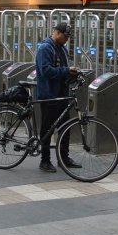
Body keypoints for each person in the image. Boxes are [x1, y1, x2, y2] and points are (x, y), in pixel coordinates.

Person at [35, 23, 81, 173]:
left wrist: (72, 73)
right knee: (47, 128)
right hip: (49, 94)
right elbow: (46, 71)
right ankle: (45, 160)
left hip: (61, 94)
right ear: (58, 33)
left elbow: (62, 69)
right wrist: (66, 70)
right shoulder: (45, 48)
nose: (67, 40)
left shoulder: (62, 48)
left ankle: (63, 158)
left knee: (65, 127)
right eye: (66, 36)